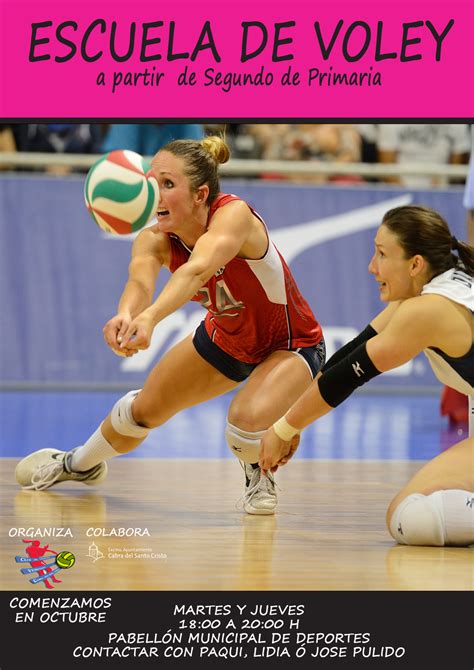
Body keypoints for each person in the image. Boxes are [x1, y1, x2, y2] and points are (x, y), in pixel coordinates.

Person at [15, 136, 325, 515]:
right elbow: (140, 283)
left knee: (244, 425)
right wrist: (128, 315)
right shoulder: (155, 239)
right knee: (140, 412)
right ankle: (77, 464)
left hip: (291, 343)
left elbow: (196, 271)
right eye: (151, 181)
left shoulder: (234, 215)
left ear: (200, 195)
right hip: (228, 339)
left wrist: (151, 319)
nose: (154, 194)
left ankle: (258, 471)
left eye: (167, 184)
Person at [259, 205, 474, 545]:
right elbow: (350, 355)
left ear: (415, 264)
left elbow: (347, 376)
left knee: (408, 517)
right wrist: (292, 423)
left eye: (382, 254)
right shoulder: (443, 282)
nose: (372, 267)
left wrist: (283, 428)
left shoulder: (427, 310)